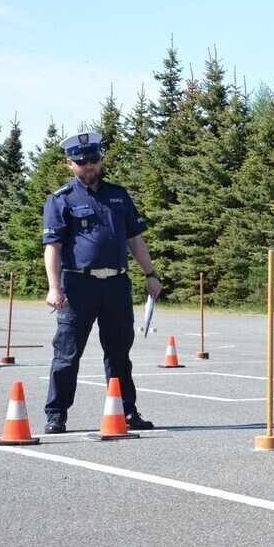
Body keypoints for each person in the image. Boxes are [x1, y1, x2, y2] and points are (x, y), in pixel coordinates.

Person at [42, 131, 162, 434]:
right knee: (68, 353)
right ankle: (56, 414)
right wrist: (54, 287)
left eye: (94, 159)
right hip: (78, 286)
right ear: (70, 163)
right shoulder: (61, 199)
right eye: (82, 161)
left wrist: (150, 275)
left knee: (119, 352)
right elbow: (53, 247)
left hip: (116, 284)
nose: (89, 166)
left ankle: (126, 411)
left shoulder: (118, 195)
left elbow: (135, 240)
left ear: (100, 159)